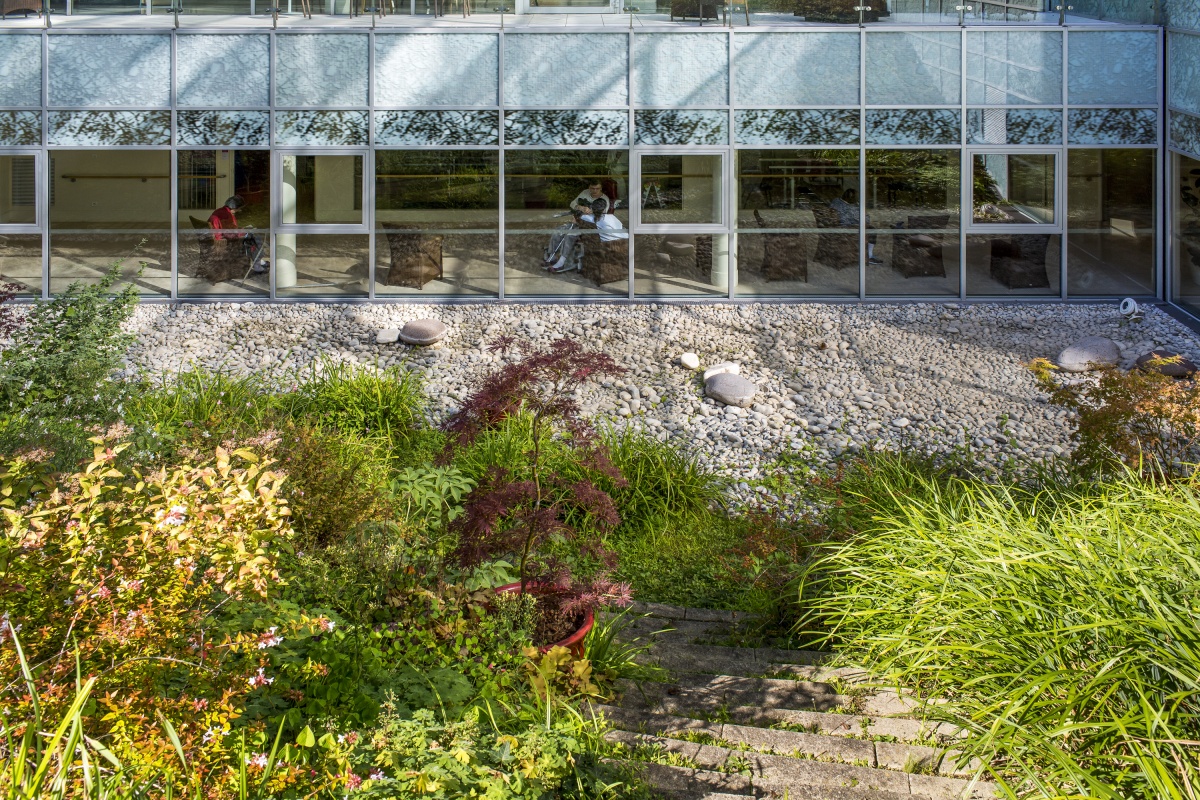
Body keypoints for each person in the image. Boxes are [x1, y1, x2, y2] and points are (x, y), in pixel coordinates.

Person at [208, 195, 268, 275]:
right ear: (234, 207)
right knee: (256, 238)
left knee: (252, 235)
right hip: (226, 241)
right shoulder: (226, 215)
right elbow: (229, 233)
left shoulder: (220, 211)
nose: (239, 210)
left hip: (222, 238)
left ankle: (257, 259)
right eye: (239, 208)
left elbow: (229, 228)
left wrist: (242, 229)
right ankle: (257, 263)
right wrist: (244, 232)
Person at [828, 187, 881, 265]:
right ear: (851, 198)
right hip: (847, 229)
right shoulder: (851, 207)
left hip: (834, 228)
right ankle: (869, 256)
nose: (857, 199)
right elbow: (866, 220)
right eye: (856, 197)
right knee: (872, 230)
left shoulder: (835, 201)